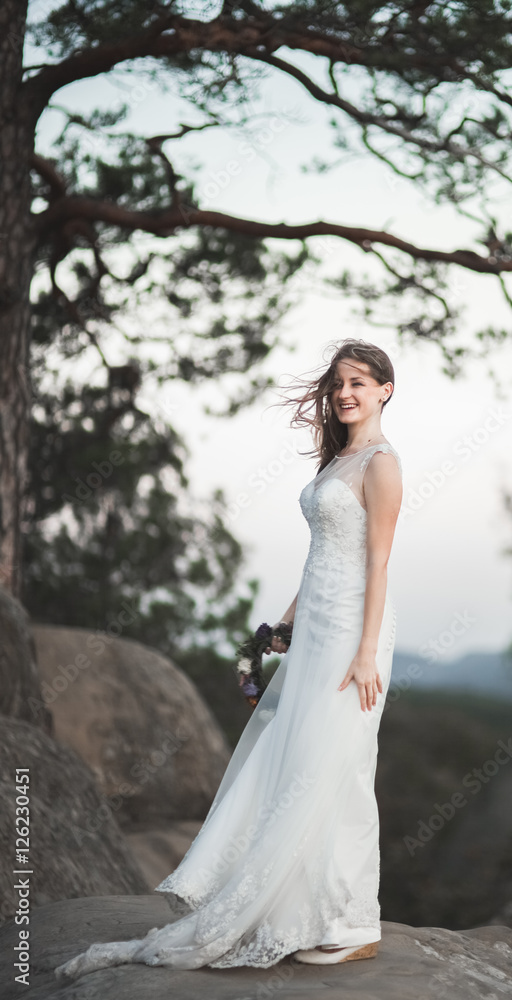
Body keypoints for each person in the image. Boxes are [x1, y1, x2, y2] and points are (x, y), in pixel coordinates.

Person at [54, 337, 403, 978]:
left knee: (339, 766)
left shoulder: (381, 464)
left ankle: (355, 922)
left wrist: (363, 653)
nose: (346, 393)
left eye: (359, 382)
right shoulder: (338, 461)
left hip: (357, 633)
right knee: (297, 762)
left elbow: (377, 560)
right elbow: (323, 558)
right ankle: (316, 912)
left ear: (385, 390)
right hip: (318, 628)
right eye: (339, 384)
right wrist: (280, 630)